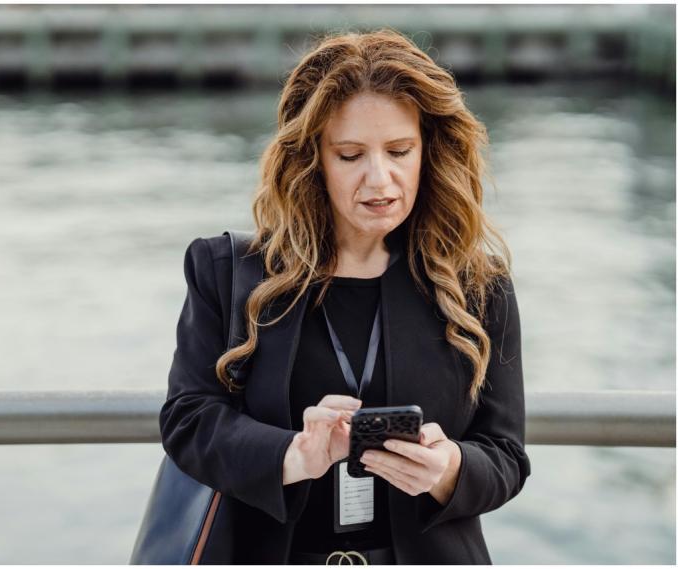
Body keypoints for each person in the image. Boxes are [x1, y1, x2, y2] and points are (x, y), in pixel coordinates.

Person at [159, 28, 530, 565]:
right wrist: (293, 454)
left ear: (429, 151)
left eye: (400, 151)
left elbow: (507, 456)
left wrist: (449, 469)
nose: (380, 179)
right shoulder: (227, 271)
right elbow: (187, 419)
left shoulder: (478, 283)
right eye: (351, 154)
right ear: (313, 159)